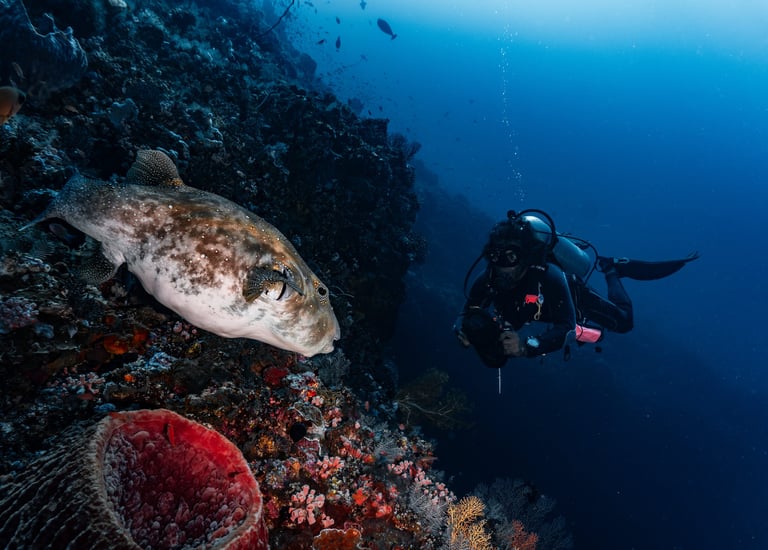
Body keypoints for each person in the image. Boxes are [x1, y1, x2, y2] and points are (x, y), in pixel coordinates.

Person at [456, 209, 699, 368]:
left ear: (527, 257)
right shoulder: (488, 277)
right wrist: (465, 330)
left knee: (624, 323)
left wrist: (527, 347)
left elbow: (565, 326)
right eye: (494, 257)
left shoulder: (548, 275)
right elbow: (469, 311)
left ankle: (613, 269)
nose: (501, 267)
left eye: (509, 258)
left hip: (569, 299)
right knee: (509, 317)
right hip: (529, 308)